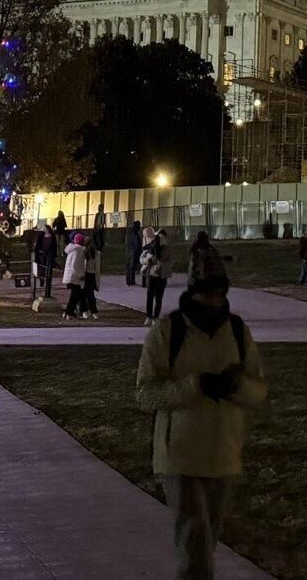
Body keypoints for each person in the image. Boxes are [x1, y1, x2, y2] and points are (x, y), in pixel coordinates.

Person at [134, 274, 266, 580]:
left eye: (218, 293)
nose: (212, 301)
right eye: (205, 294)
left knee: (206, 542)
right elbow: (145, 393)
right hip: (180, 457)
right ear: (192, 293)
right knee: (195, 548)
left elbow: (258, 391)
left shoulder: (236, 331)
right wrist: (195, 386)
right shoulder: (168, 332)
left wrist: (236, 386)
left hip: (224, 454)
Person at [141, 227, 170, 324]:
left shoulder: (166, 249)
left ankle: (155, 317)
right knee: (150, 297)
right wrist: (147, 261)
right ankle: (149, 316)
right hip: (151, 275)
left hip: (161, 276)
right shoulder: (151, 247)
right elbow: (142, 258)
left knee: (158, 298)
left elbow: (166, 260)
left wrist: (154, 258)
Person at [61, 232, 89, 320]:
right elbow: (75, 265)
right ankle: (68, 312)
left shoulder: (72, 249)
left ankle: (69, 312)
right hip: (74, 276)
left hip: (70, 275)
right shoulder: (79, 250)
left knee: (75, 295)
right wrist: (80, 275)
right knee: (75, 295)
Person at [30, 222, 59, 305]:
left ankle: (47, 281)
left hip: (49, 255)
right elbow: (38, 245)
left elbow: (54, 246)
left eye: (45, 228)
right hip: (41, 254)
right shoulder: (41, 236)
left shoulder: (52, 237)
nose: (44, 230)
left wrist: (53, 254)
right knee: (42, 267)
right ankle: (42, 278)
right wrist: (38, 252)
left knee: (48, 268)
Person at [82, 233, 103, 320]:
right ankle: (87, 310)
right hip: (86, 275)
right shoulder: (82, 252)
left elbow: (97, 267)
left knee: (89, 294)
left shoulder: (96, 254)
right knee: (86, 294)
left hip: (90, 275)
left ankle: (91, 310)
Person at [125, 215, 145, 286]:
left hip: (129, 252)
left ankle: (130, 281)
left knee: (130, 267)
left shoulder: (130, 233)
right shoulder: (134, 233)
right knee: (131, 267)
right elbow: (136, 244)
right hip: (133, 253)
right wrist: (139, 251)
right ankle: (130, 281)